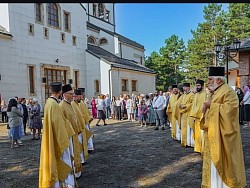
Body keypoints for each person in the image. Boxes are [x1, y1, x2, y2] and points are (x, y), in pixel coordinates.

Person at [201, 66, 246, 187]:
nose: (208, 82)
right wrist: (206, 108)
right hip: (214, 133)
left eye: (210, 79)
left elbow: (231, 110)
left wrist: (212, 105)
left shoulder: (228, 91)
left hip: (224, 136)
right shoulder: (216, 91)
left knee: (225, 160)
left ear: (219, 80)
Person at [39, 82, 76, 188]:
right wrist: (65, 139)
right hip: (60, 139)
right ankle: (67, 184)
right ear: (60, 92)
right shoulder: (54, 105)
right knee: (65, 161)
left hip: (54, 138)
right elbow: (59, 125)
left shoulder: (49, 103)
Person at [60, 84, 83, 179]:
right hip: (68, 136)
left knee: (76, 153)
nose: (73, 96)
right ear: (65, 94)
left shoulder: (70, 104)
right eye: (71, 94)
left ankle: (76, 172)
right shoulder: (61, 106)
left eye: (73, 94)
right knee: (71, 155)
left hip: (74, 134)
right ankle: (70, 175)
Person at [71, 89, 91, 165]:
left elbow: (83, 112)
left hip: (82, 126)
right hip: (77, 129)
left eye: (81, 96)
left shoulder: (78, 103)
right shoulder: (73, 104)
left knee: (83, 142)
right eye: (79, 96)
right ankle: (81, 160)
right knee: (78, 144)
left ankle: (83, 158)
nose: (81, 98)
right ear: (75, 96)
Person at [189, 79, 206, 154]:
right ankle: (198, 148)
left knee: (201, 134)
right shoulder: (196, 94)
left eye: (198, 85)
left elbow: (203, 106)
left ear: (202, 86)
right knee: (197, 133)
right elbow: (194, 106)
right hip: (195, 117)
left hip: (201, 117)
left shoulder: (205, 94)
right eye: (196, 86)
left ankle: (202, 148)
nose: (197, 87)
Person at [78, 88, 94, 152]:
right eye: (83, 95)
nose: (83, 96)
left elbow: (85, 111)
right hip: (84, 121)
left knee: (87, 135)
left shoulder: (81, 102)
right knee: (86, 135)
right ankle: (89, 147)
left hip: (85, 121)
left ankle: (90, 147)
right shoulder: (80, 102)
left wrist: (89, 117)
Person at [179, 83, 194, 147]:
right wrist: (180, 105)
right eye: (183, 87)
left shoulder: (192, 95)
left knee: (188, 129)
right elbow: (180, 102)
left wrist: (185, 106)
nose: (183, 88)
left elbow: (192, 103)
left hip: (188, 113)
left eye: (184, 87)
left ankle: (189, 142)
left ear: (188, 87)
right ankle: (184, 141)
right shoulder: (184, 95)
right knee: (184, 128)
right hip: (183, 114)